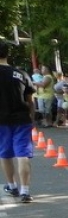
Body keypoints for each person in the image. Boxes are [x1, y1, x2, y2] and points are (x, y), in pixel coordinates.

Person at [0, 40, 34, 203]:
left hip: (1, 120)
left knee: (5, 153)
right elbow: (30, 99)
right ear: (8, 53)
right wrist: (32, 117)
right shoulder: (20, 74)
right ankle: (25, 191)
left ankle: (12, 186)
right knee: (22, 153)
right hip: (21, 118)